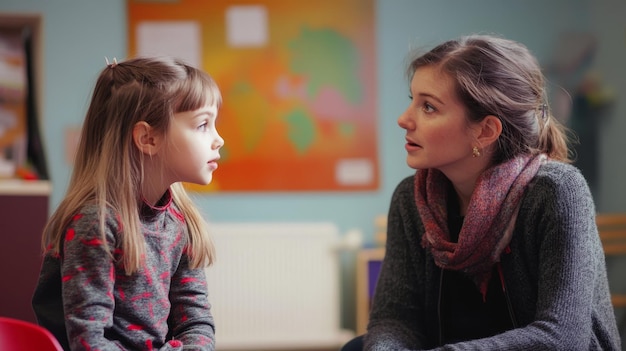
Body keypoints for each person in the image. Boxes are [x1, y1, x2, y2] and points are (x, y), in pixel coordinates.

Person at [342, 34, 621, 350]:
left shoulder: (557, 191)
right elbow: (395, 320)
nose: (404, 119)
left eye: (429, 107)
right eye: (412, 101)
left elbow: (561, 339)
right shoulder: (410, 199)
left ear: (485, 131)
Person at [31, 56, 224, 351]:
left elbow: (195, 321)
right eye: (202, 125)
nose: (218, 139)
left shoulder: (180, 222)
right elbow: (90, 342)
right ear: (148, 138)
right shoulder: (95, 223)